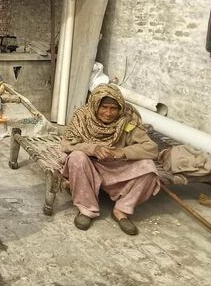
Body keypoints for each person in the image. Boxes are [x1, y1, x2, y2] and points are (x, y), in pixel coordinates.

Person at [60, 84, 160, 235]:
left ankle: (122, 210)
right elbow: (67, 143)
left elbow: (151, 148)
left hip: (116, 166)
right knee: (76, 157)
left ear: (120, 108)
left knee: (149, 167)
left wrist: (122, 152)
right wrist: (93, 148)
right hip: (91, 164)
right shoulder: (82, 116)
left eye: (113, 109)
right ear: (95, 106)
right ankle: (87, 209)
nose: (108, 113)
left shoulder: (127, 120)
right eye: (104, 107)